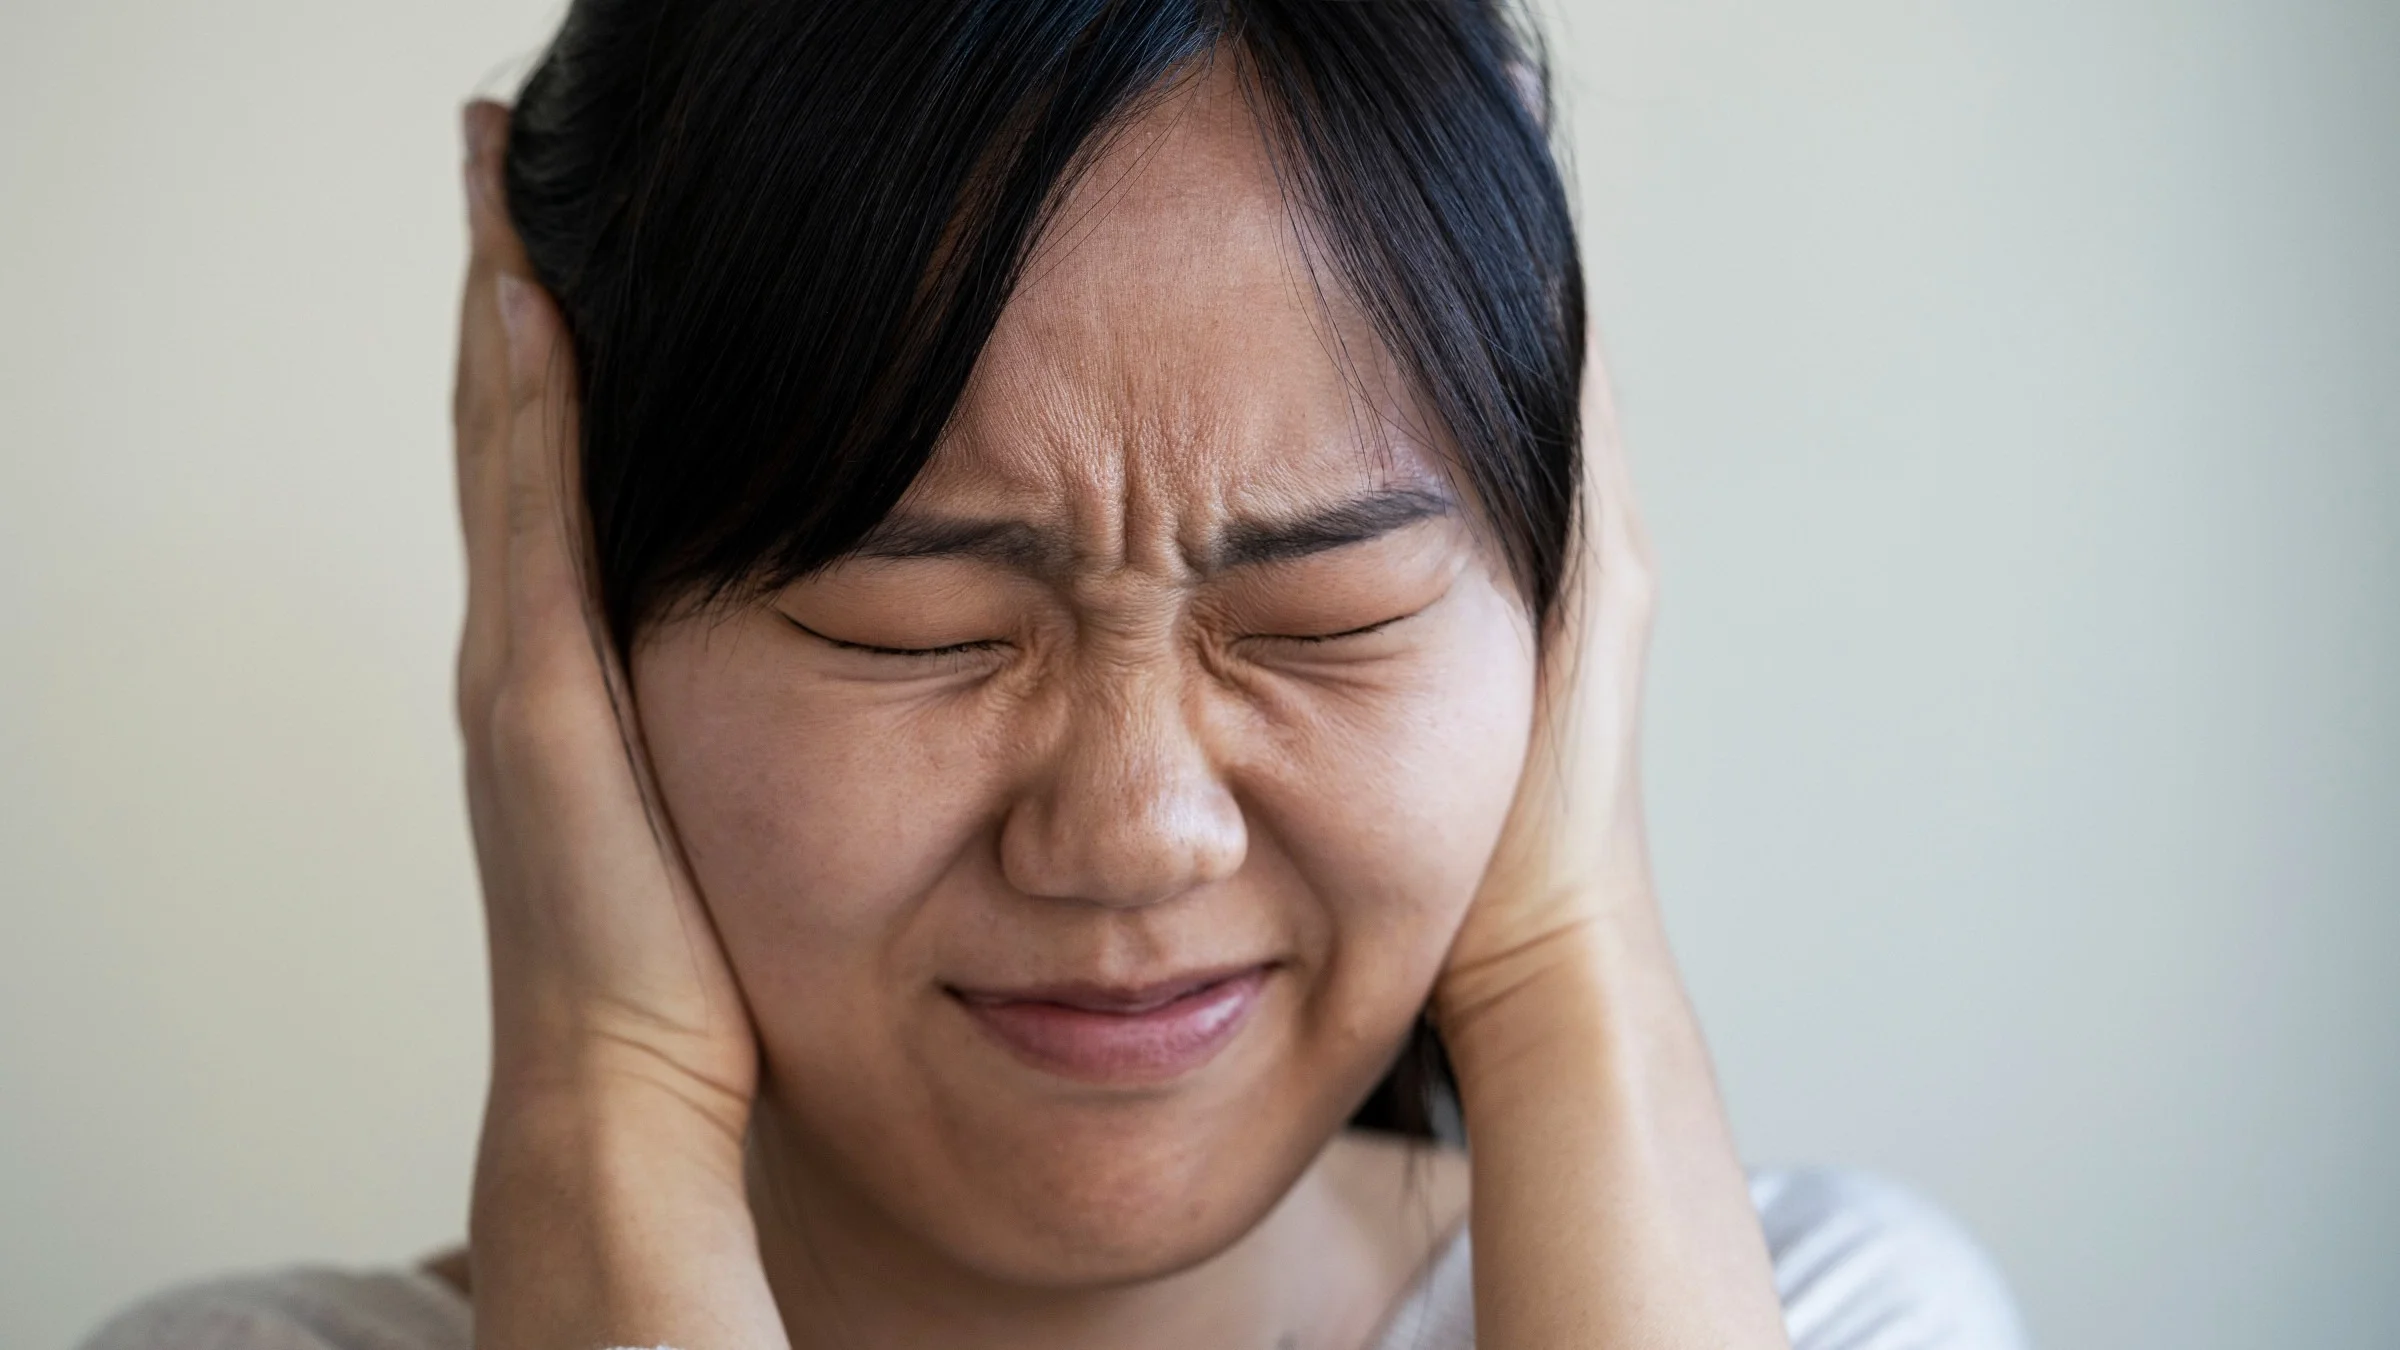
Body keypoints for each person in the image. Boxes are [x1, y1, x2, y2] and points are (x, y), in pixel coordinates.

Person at [84, 3, 2027, 1347]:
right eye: (913, 631)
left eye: (1327, 615)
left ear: (1564, 602)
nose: (1135, 831)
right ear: (571, 615)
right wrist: (610, 1115)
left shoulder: (1840, 1312)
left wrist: (1568, 967)